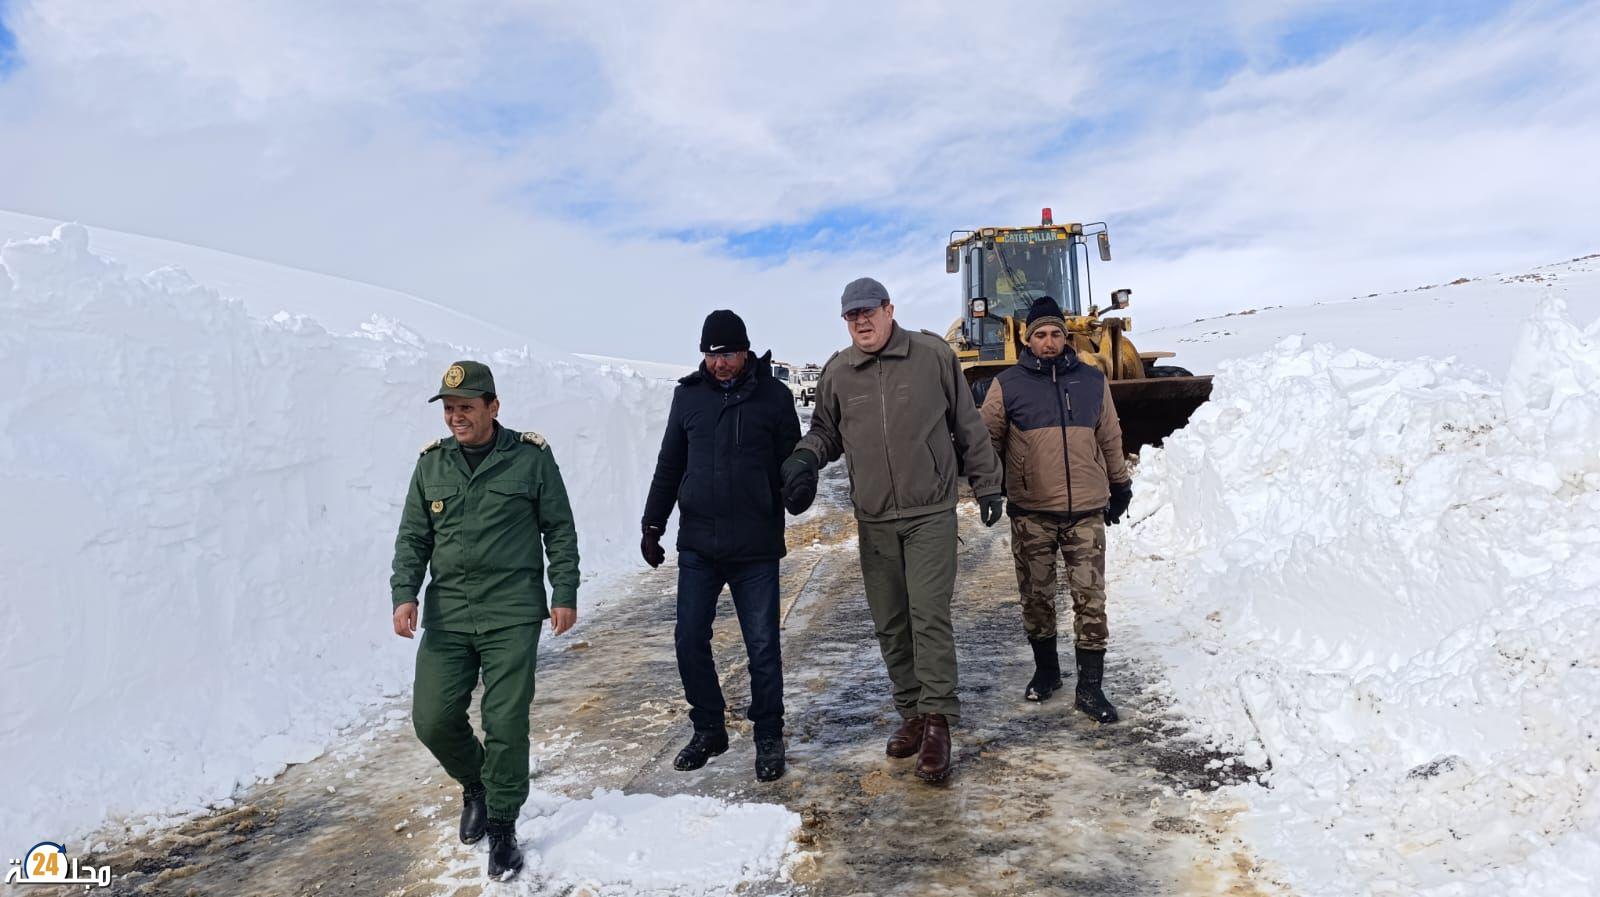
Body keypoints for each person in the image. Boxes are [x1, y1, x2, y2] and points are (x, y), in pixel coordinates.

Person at [780, 277, 1004, 783]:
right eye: (851, 315)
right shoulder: (839, 372)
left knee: (928, 615)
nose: (861, 321)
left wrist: (988, 483)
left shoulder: (932, 355)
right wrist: (805, 457)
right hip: (874, 516)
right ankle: (913, 712)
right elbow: (826, 432)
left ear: (889, 309)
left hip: (930, 512)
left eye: (868, 311)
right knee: (890, 621)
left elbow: (967, 423)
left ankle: (939, 720)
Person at [389, 360, 580, 881]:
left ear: (493, 407)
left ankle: (502, 825)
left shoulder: (530, 458)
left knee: (506, 721)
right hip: (449, 613)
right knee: (431, 718)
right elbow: (413, 538)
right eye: (449, 408)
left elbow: (559, 529)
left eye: (466, 407)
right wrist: (404, 594)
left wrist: (564, 591)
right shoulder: (431, 465)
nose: (456, 417)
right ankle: (475, 783)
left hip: (512, 612)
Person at [641, 310, 801, 782]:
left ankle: (768, 733)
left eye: (727, 353)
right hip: (699, 545)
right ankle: (709, 727)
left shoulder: (774, 396)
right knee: (689, 639)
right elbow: (669, 465)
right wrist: (652, 525)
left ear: (745, 352)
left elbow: (793, 460)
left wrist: (798, 488)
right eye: (711, 355)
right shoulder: (688, 397)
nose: (719, 363)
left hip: (755, 546)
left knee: (763, 646)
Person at [979, 297, 1131, 722]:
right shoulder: (1007, 384)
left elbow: (1110, 437)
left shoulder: (1092, 380)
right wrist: (990, 488)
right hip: (1032, 512)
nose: (1049, 342)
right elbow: (986, 441)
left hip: (1086, 509)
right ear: (1028, 339)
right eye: (1041, 335)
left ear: (1066, 338)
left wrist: (1120, 484)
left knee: (1091, 600)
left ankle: (1090, 688)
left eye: (1056, 334)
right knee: (1037, 598)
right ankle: (1047, 672)